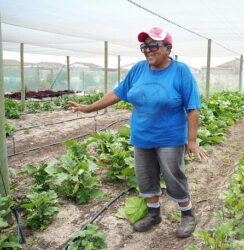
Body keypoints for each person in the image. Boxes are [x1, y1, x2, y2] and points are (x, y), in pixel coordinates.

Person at [68, 27, 208, 238]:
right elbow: (117, 93)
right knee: (146, 178)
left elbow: (192, 107)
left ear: (168, 48)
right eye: (144, 46)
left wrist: (192, 141)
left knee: (174, 177)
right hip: (142, 137)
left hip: (170, 138)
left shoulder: (181, 71)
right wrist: (88, 108)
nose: (148, 50)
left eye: (154, 45)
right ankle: (154, 215)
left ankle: (187, 215)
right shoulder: (138, 70)